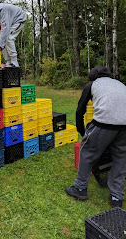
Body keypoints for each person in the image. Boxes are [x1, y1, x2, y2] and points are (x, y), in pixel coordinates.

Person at [65, 66, 126, 208]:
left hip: (105, 122)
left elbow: (80, 110)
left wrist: (82, 132)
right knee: (121, 158)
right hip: (125, 125)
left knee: (87, 152)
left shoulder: (92, 85)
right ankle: (117, 197)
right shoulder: (119, 83)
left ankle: (80, 188)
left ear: (92, 76)